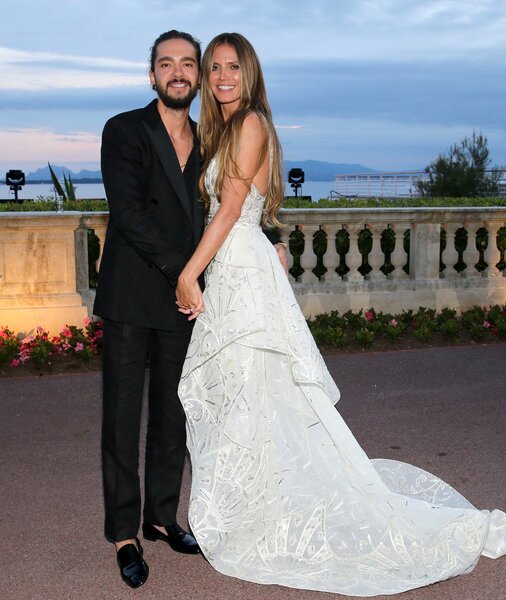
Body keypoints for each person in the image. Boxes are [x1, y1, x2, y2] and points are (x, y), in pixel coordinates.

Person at [176, 32, 506, 597]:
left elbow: (234, 205)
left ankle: (260, 508)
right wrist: (258, 246)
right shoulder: (235, 127)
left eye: (231, 67)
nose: (220, 77)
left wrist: (189, 272)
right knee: (249, 393)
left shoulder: (250, 124)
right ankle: (255, 503)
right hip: (239, 269)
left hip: (236, 271)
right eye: (214, 68)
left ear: (250, 73)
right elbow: (252, 211)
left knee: (253, 388)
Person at [94, 29, 286, 589]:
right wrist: (190, 269)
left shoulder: (211, 137)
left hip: (189, 304)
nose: (178, 72)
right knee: (123, 420)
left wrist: (270, 232)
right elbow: (129, 215)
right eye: (166, 63)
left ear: (197, 77)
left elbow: (235, 197)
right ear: (151, 74)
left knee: (174, 416)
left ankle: (160, 518)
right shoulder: (124, 130)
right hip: (136, 295)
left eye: (188, 64)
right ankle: (125, 534)